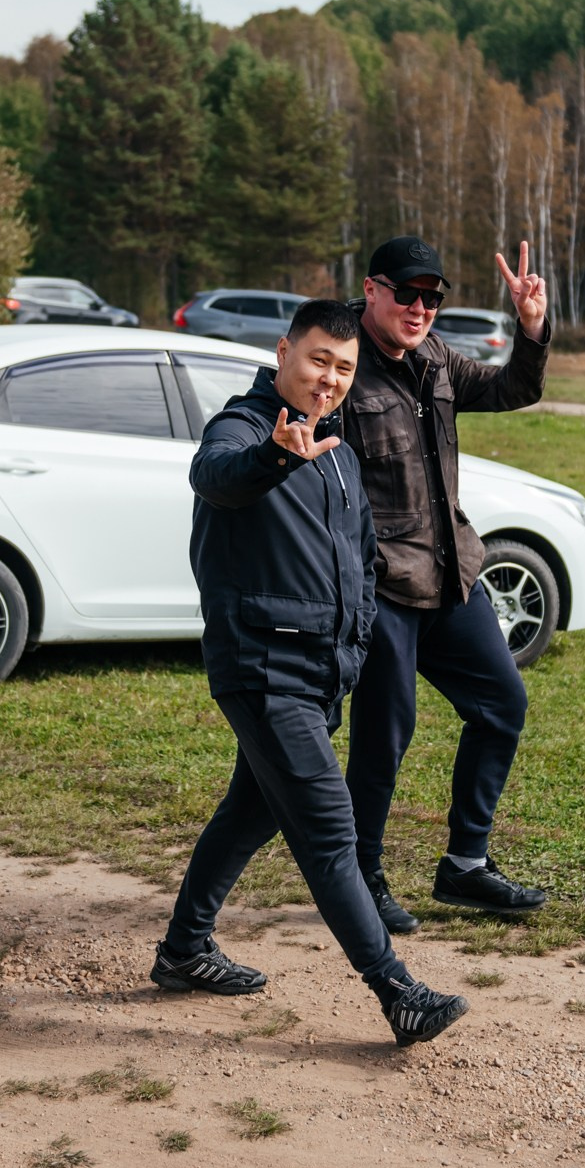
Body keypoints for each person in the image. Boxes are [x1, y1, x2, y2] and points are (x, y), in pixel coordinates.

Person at [153, 298, 469, 1048]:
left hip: (318, 670)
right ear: (283, 352)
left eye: (344, 368)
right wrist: (274, 456)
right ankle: (397, 992)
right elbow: (215, 476)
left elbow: (359, 561)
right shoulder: (246, 427)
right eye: (318, 360)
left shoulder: (339, 452)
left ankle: (184, 949)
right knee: (331, 831)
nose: (330, 378)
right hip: (262, 664)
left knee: (252, 811)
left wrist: (354, 647)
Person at [342, 235, 552, 932]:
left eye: (432, 298)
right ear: (372, 290)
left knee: (502, 705)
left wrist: (530, 329)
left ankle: (465, 866)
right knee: (385, 736)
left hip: (450, 577)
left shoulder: (434, 359)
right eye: (407, 294)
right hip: (384, 587)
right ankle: (359, 879)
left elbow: (513, 388)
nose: (420, 309)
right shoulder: (342, 364)